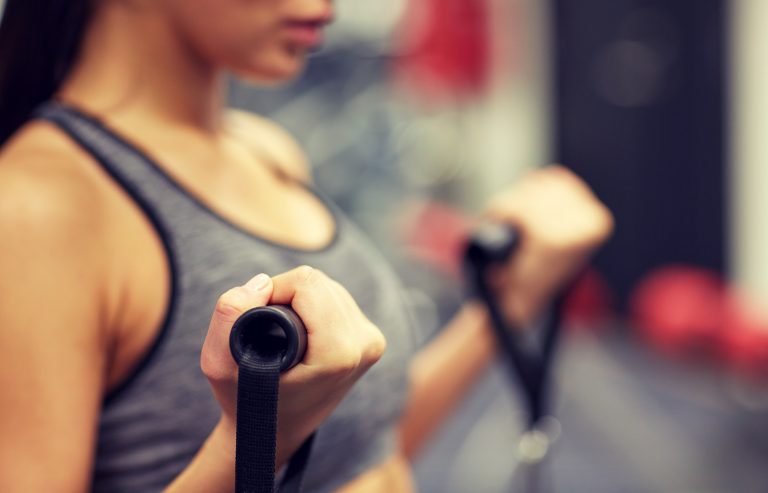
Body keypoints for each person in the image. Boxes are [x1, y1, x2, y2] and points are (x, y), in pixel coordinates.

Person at [0, 0, 613, 492]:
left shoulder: (265, 150)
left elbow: (363, 449)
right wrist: (251, 441)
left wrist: (508, 304)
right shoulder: (37, 206)